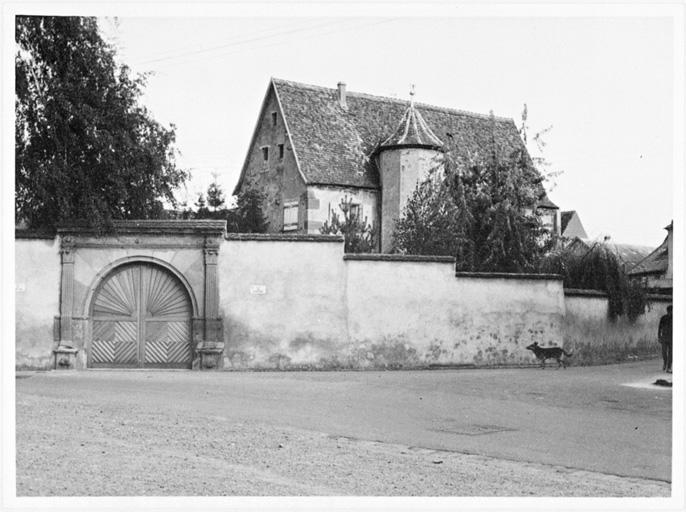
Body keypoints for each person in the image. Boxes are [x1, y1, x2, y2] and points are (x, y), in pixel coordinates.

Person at [658, 305, 673, 373]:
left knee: (671, 353)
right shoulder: (663, 318)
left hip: (672, 338)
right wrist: (659, 337)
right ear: (668, 311)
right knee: (664, 352)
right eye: (670, 311)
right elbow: (660, 328)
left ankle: (669, 367)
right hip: (664, 337)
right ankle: (665, 363)